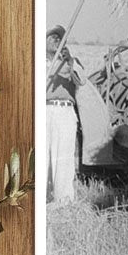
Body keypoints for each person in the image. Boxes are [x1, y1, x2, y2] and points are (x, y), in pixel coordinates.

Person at [45, 24, 84, 203]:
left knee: (64, 156)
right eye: (52, 37)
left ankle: (64, 200)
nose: (56, 40)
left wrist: (70, 62)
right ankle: (42, 197)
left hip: (64, 111)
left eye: (59, 38)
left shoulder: (71, 62)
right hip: (44, 110)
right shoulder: (37, 62)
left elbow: (81, 80)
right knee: (42, 156)